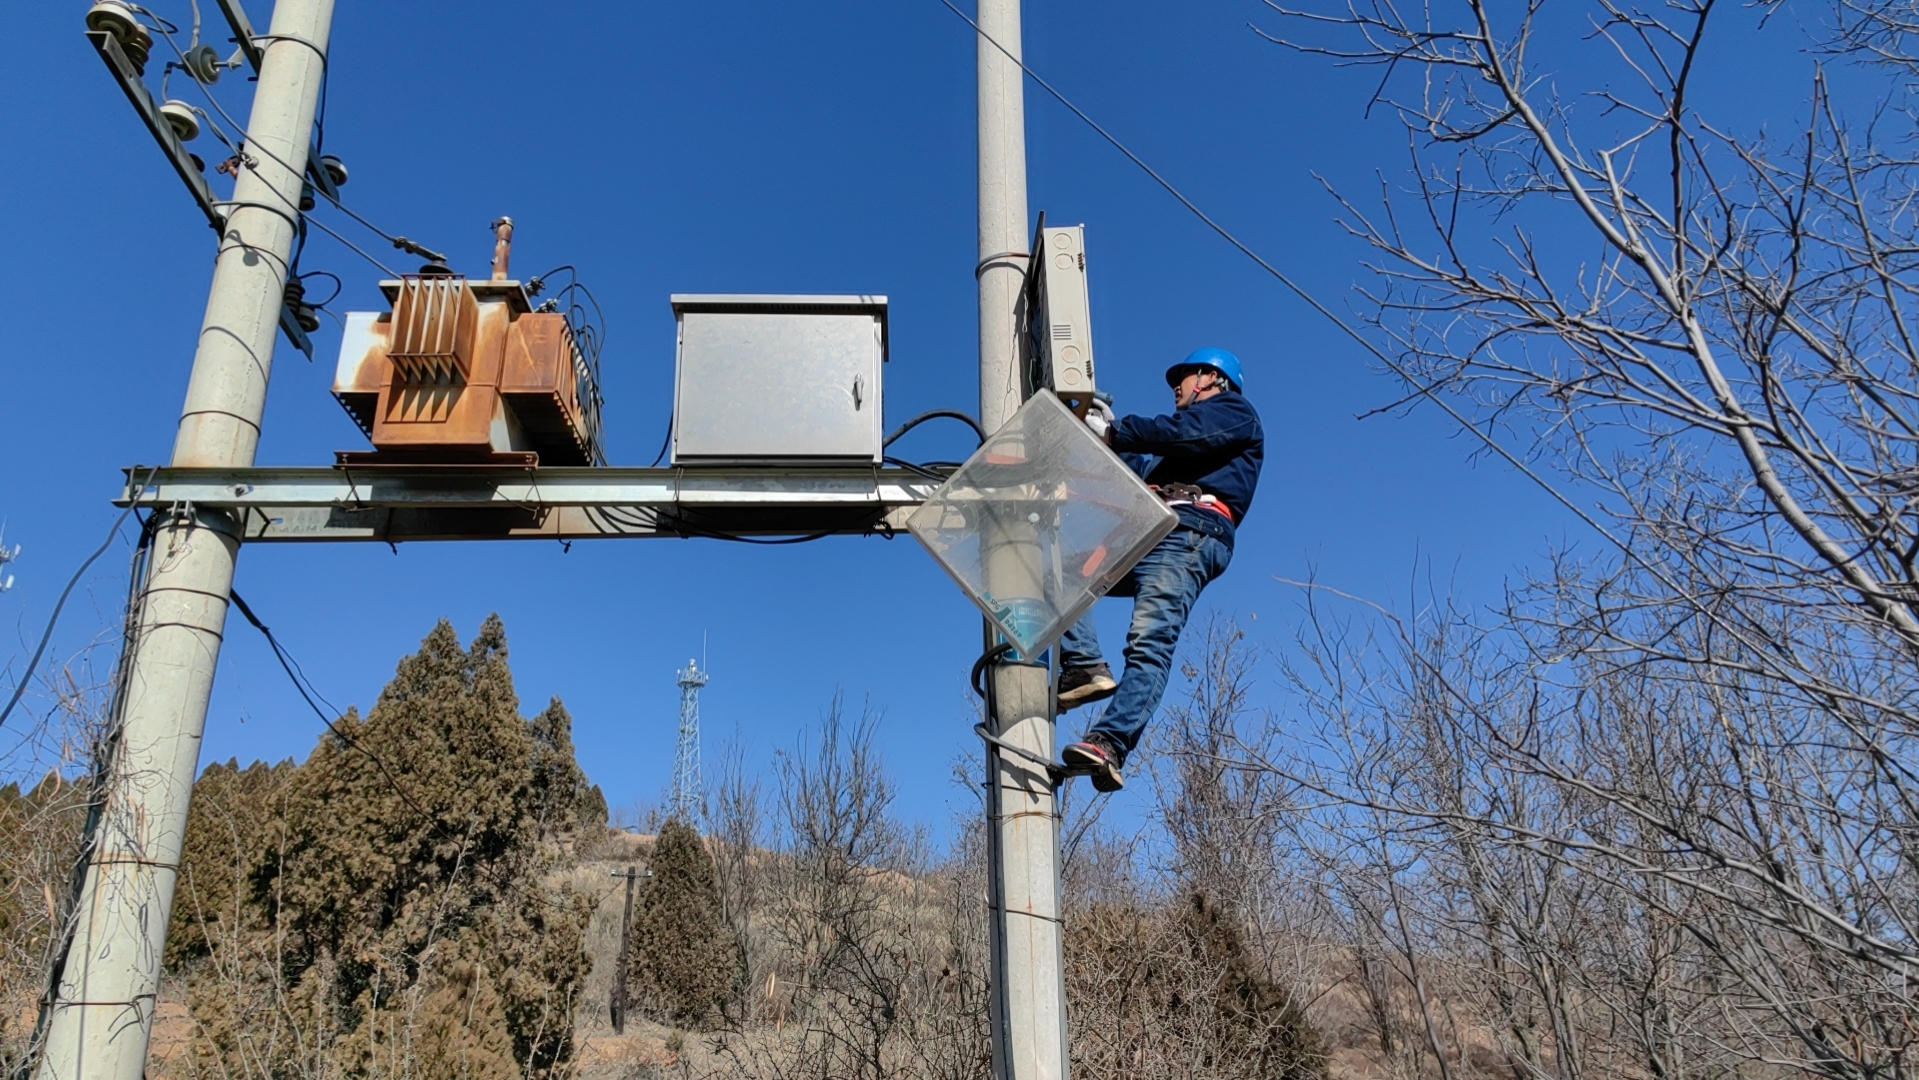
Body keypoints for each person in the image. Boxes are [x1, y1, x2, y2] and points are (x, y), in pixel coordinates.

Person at [1057, 347, 1264, 792]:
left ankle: (1110, 743)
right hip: (1155, 532)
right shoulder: (1178, 447)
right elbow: (1137, 470)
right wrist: (1098, 434)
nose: (1177, 385)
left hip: (1191, 533)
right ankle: (1085, 666)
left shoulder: (1233, 412)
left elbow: (1184, 435)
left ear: (1213, 378)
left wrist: (1117, 431)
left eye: (1186, 376)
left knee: (1149, 642)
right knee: (1060, 572)